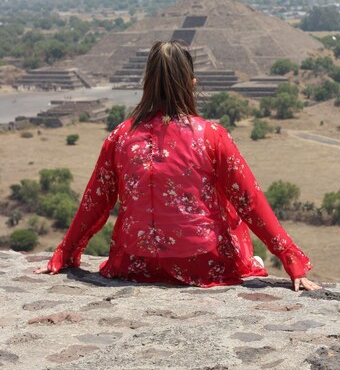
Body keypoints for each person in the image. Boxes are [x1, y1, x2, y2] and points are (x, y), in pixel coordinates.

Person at [35, 41, 321, 292]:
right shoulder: (211, 136)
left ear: (146, 83)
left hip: (134, 263)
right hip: (203, 265)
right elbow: (250, 201)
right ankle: (250, 260)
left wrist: (66, 254)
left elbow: (94, 202)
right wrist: (291, 260)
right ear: (192, 83)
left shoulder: (120, 137)